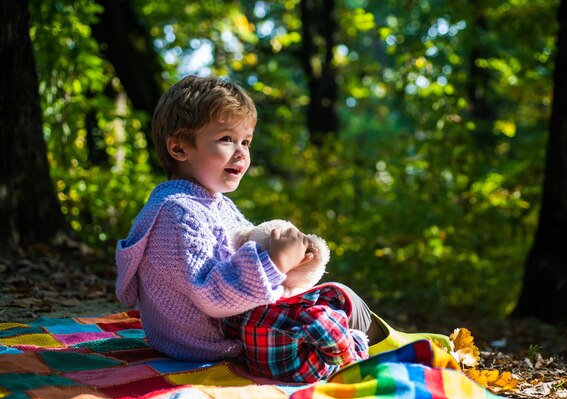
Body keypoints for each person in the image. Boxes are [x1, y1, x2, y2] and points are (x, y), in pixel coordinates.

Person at [114, 75, 376, 367]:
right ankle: (377, 347)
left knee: (330, 302)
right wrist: (274, 263)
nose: (241, 152)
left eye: (246, 141)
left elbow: (243, 250)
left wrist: (292, 260)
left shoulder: (215, 204)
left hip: (232, 325)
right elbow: (212, 295)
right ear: (179, 149)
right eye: (226, 139)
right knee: (334, 300)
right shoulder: (178, 213)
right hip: (209, 341)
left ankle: (377, 341)